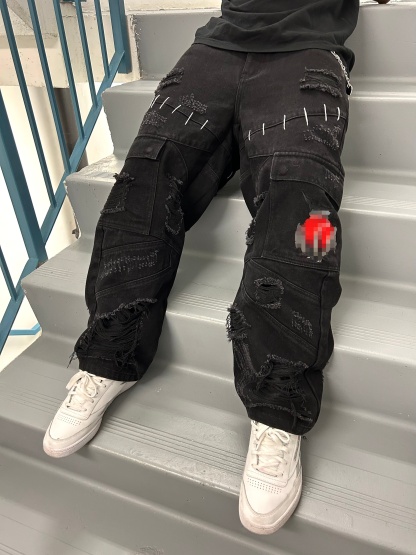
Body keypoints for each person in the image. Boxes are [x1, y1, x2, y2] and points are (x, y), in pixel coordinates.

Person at [43, 0, 389, 536]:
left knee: (309, 213)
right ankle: (110, 354)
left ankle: (278, 405)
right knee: (141, 180)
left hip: (306, 51)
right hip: (216, 48)